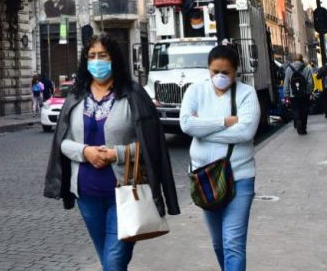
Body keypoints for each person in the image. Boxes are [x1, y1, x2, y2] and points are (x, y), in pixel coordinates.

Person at [44, 33, 179, 271]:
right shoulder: (76, 95)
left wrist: (116, 154)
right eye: (92, 56)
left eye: (102, 55)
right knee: (107, 257)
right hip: (86, 193)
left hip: (127, 192)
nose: (97, 61)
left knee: (114, 261)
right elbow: (62, 142)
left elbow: (151, 145)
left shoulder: (133, 94)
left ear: (113, 58)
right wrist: (86, 152)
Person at [179, 44, 260, 271]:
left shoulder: (247, 94)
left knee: (232, 243)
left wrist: (202, 131)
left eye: (226, 72)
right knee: (218, 243)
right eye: (215, 72)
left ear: (236, 72)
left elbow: (245, 132)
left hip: (239, 177)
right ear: (208, 69)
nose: (220, 77)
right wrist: (224, 121)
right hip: (205, 178)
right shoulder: (195, 91)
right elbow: (186, 124)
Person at [283, 54, 313, 135]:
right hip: (304, 94)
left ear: (294, 60)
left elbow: (286, 83)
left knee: (295, 109)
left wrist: (286, 95)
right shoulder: (306, 68)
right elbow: (310, 82)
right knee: (304, 110)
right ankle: (303, 127)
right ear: (301, 60)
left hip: (293, 95)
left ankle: (298, 120)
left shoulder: (289, 69)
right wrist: (309, 92)